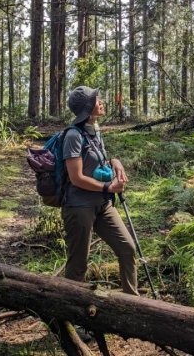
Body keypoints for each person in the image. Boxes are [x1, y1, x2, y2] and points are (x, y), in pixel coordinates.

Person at [62, 85, 138, 295]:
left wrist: (115, 162)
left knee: (127, 249)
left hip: (103, 204)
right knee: (78, 266)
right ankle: (72, 313)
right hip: (79, 208)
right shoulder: (73, 136)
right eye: (97, 99)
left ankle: (132, 304)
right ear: (88, 107)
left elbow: (97, 160)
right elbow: (76, 178)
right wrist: (108, 186)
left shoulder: (94, 130)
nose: (101, 101)